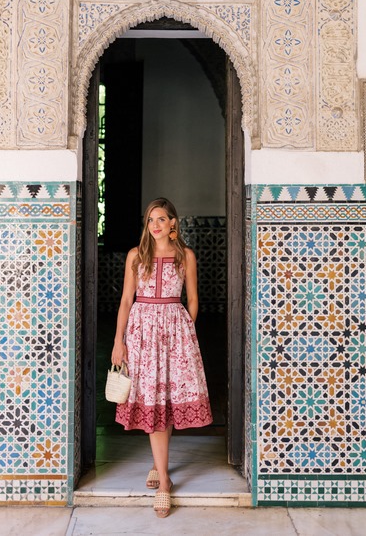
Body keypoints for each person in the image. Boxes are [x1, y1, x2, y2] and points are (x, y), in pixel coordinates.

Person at [111, 197, 213, 518]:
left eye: (160, 219)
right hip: (142, 334)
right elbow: (127, 301)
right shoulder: (135, 257)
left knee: (166, 400)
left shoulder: (185, 257)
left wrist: (184, 331)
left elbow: (193, 299)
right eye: (150, 220)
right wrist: (119, 340)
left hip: (175, 334)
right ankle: (165, 480)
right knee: (152, 400)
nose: (154, 225)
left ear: (173, 224)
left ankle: (159, 467)